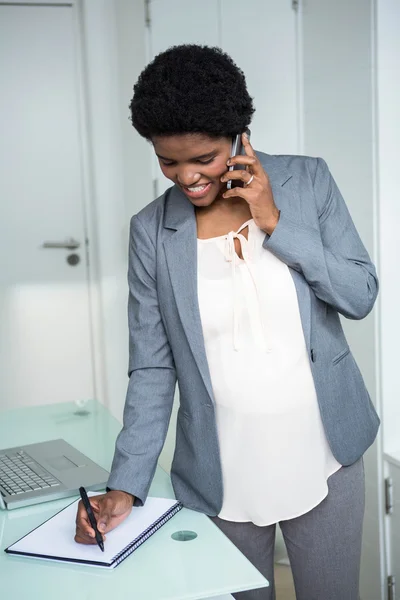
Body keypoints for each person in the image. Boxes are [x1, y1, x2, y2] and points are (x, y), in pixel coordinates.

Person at [74, 45, 380, 600]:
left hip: (326, 453)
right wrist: (125, 485)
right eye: (168, 162)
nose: (187, 178)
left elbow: (360, 295)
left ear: (240, 135)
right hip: (220, 470)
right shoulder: (151, 231)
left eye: (204, 158)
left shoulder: (309, 183)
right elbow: (151, 366)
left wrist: (274, 221)